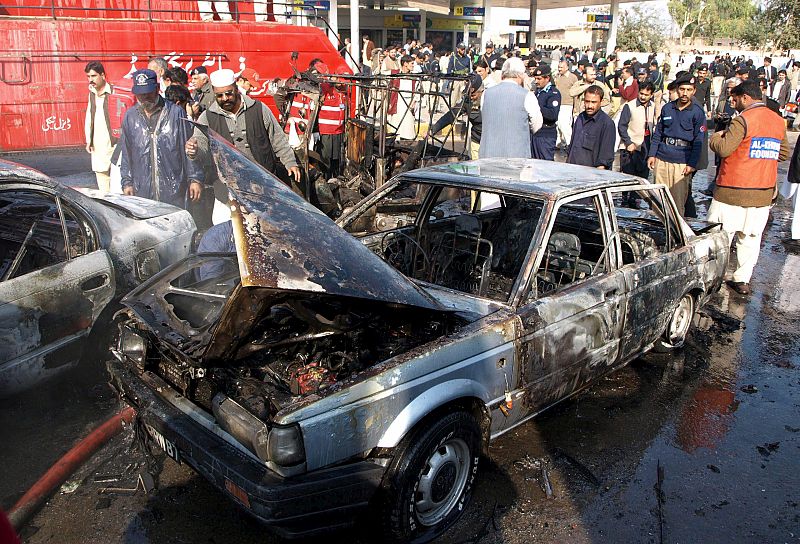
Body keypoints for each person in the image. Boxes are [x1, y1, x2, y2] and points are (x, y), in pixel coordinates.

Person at [707, 79, 789, 295]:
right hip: (762, 193)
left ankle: (712, 277)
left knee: (720, 236)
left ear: (745, 98)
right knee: (751, 239)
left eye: (736, 99)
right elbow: (783, 153)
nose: (734, 103)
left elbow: (724, 148)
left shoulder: (742, 121)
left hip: (732, 191)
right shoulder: (778, 121)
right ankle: (742, 280)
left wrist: (716, 136)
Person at [186, 69, 300, 223]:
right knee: (226, 233)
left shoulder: (259, 109)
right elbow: (200, 143)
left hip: (263, 187)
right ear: (213, 92)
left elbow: (277, 138)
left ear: (235, 88)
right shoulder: (207, 117)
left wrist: (290, 162)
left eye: (229, 93)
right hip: (227, 190)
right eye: (219, 95)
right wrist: (194, 150)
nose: (225, 98)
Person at [119, 69, 203, 208]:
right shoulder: (130, 117)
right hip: (143, 192)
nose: (145, 98)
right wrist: (127, 182)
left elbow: (188, 149)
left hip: (174, 191)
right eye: (141, 95)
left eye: (148, 93)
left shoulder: (175, 114)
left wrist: (195, 179)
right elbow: (127, 153)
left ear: (157, 89)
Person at [647, 72, 706, 217]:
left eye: (689, 90)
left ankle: (675, 238)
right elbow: (658, 134)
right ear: (677, 89)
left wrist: (692, 164)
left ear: (694, 91)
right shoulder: (667, 108)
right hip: (662, 159)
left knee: (677, 205)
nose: (685, 93)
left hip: (681, 163)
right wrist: (652, 154)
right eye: (682, 89)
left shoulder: (697, 113)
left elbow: (699, 141)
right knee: (658, 202)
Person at [479, 57, 543, 159]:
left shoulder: (486, 93)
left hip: (488, 155)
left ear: (503, 74)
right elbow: (537, 125)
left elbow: (485, 116)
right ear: (520, 75)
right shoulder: (527, 96)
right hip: (517, 157)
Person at [84, 61, 116, 192]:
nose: (90, 80)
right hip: (98, 147)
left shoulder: (114, 92)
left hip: (114, 145)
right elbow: (89, 118)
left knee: (118, 186)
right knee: (103, 188)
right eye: (88, 77)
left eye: (93, 76)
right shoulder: (91, 94)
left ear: (103, 75)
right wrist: (88, 140)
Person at [567, 85, 616, 170]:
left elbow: (605, 158)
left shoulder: (607, 124)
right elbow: (572, 146)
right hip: (572, 171)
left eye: (594, 102)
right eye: (587, 101)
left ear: (601, 102)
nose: (589, 106)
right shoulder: (580, 118)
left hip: (590, 175)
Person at [618, 80, 656, 182]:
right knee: (627, 179)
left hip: (646, 146)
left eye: (646, 95)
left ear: (651, 95)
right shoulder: (629, 106)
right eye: (641, 93)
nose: (643, 97)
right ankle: (626, 198)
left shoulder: (653, 106)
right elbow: (621, 126)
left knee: (642, 178)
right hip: (630, 147)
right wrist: (628, 142)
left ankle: (637, 198)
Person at [530, 64, 560, 160]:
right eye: (535, 78)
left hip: (546, 134)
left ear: (547, 78)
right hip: (536, 133)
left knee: (545, 165)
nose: (536, 81)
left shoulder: (553, 93)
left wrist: (536, 107)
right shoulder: (537, 92)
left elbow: (552, 115)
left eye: (539, 79)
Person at [388, 55, 418, 141]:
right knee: (396, 128)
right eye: (411, 63)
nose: (413, 65)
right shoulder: (395, 74)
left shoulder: (414, 77)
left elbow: (417, 91)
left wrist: (414, 101)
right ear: (405, 63)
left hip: (409, 104)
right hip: (397, 103)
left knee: (408, 130)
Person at [554, 60, 578, 149]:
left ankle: (570, 142)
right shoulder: (557, 76)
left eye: (561, 67)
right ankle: (559, 142)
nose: (559, 69)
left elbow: (576, 92)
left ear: (567, 67)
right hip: (558, 103)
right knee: (557, 124)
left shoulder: (573, 77)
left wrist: (575, 106)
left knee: (563, 124)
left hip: (567, 103)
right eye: (559, 67)